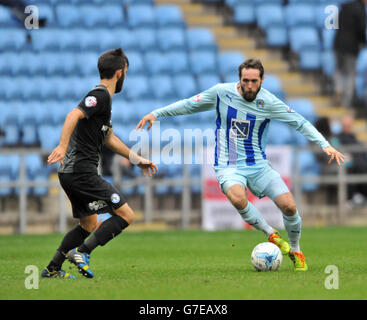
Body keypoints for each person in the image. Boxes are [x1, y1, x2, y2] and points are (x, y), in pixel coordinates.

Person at [137, 59, 345, 271]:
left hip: (259, 165)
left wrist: (325, 145)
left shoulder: (269, 102)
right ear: (239, 79)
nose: (249, 85)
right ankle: (270, 234)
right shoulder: (221, 93)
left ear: (262, 80)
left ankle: (296, 250)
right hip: (229, 164)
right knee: (237, 197)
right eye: (245, 80)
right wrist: (157, 113)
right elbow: (190, 105)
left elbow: (299, 122)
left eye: (254, 81)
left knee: (289, 206)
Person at [42, 48, 158, 279]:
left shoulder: (105, 102)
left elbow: (109, 139)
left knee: (88, 223)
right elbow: (72, 115)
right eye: (126, 71)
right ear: (119, 73)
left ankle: (52, 269)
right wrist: (62, 146)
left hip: (71, 172)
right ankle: (82, 252)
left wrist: (136, 160)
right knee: (126, 215)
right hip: (81, 171)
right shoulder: (101, 95)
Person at [333, 0, 367, 108]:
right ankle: (345, 102)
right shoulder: (360, 10)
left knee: (338, 69)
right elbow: (361, 29)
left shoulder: (344, 7)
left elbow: (336, 24)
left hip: (338, 43)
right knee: (350, 73)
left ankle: (337, 89)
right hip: (351, 47)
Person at [336, 114, 367, 204]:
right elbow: (336, 150)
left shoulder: (355, 138)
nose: (347, 127)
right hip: (348, 165)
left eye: (349, 125)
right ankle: (353, 197)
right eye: (345, 125)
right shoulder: (337, 138)